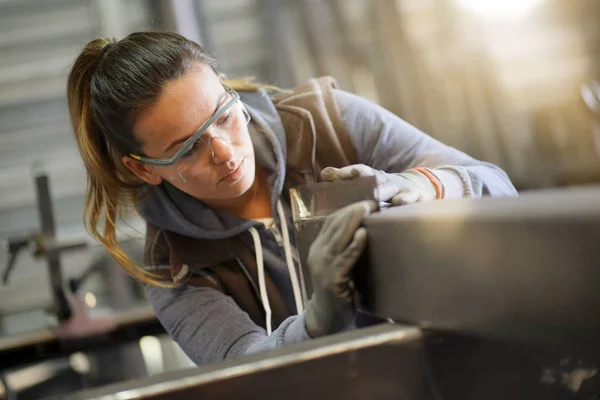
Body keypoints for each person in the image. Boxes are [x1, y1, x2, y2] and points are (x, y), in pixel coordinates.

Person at [66, 31, 518, 365]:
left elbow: (496, 186)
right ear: (144, 167)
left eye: (224, 115)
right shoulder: (171, 266)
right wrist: (319, 319)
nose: (224, 152)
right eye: (187, 147)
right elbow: (241, 366)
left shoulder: (328, 124)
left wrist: (422, 186)